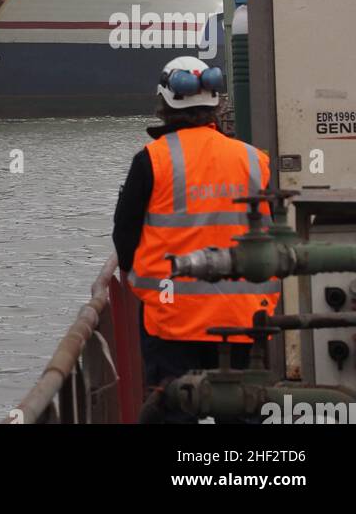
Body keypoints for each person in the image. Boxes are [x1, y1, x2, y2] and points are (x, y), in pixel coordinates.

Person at [113, 55, 280, 423]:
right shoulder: (255, 160)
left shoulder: (151, 160)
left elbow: (124, 236)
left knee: (173, 409)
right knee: (244, 410)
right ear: (217, 105)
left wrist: (145, 287)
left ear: (163, 104)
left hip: (173, 317)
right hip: (243, 313)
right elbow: (273, 231)